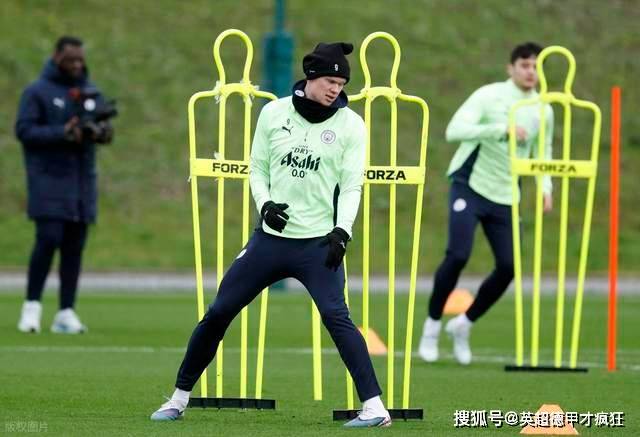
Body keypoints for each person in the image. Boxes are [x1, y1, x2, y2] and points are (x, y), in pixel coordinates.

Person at [150, 42, 391, 427]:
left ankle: (375, 408)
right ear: (310, 77)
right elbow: (257, 168)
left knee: (336, 316)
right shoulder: (274, 113)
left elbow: (352, 185)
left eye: (341, 84)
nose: (335, 89)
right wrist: (264, 206)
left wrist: (342, 232)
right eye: (330, 81)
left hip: (318, 244)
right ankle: (178, 399)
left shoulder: (351, 125)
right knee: (219, 311)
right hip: (269, 241)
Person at [418, 42, 554, 365]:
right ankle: (432, 326)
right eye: (525, 65)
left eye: (536, 66)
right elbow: (454, 131)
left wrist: (545, 186)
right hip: (470, 186)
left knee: (509, 267)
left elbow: (543, 152)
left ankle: (464, 324)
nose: (531, 72)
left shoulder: (544, 109)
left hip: (507, 194)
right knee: (458, 255)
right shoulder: (489, 96)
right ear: (511, 68)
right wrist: (500, 129)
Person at [15, 36, 114, 334]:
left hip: (82, 183)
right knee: (48, 239)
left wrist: (102, 132)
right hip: (48, 180)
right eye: (71, 59)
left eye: (80, 59)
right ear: (57, 57)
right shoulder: (37, 92)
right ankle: (31, 307)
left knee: (74, 247)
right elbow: (24, 131)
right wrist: (64, 132)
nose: (77, 64)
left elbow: (103, 127)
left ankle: (66, 311)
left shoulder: (90, 91)